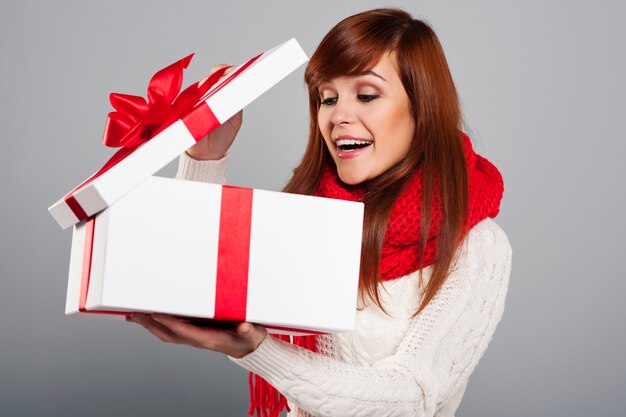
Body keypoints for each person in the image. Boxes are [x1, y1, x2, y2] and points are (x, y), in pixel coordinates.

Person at [129, 8, 512, 417]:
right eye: (327, 98)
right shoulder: (308, 218)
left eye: (366, 95)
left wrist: (261, 351)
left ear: (422, 108)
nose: (338, 116)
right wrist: (205, 157)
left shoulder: (477, 246)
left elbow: (413, 396)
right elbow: (195, 286)